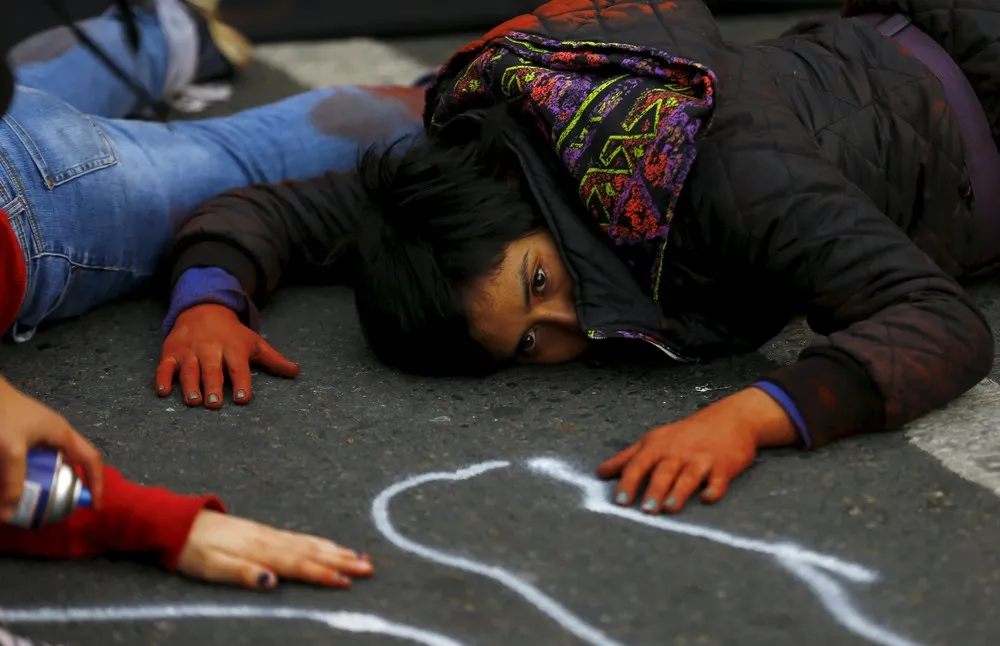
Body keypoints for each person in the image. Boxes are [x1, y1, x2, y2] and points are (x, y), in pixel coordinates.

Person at [158, 0, 1000, 517]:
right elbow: (285, 211)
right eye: (531, 342)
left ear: (524, 200)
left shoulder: (716, 169)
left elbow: (935, 320)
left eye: (539, 283)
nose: (571, 325)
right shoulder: (505, 160)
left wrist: (745, 418)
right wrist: (207, 299)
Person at [0, 2, 422, 646]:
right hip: (24, 158)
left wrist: (144, 520)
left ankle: (486, 101)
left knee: (234, 157)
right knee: (36, 104)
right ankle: (165, 26)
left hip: (31, 189)